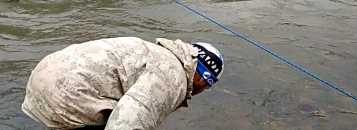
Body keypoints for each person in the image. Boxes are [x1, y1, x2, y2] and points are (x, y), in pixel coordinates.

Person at [21, 36, 224, 130]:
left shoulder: (161, 55)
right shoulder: (174, 77)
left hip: (44, 77)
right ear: (203, 77)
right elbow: (128, 122)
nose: (205, 89)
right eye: (208, 84)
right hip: (67, 94)